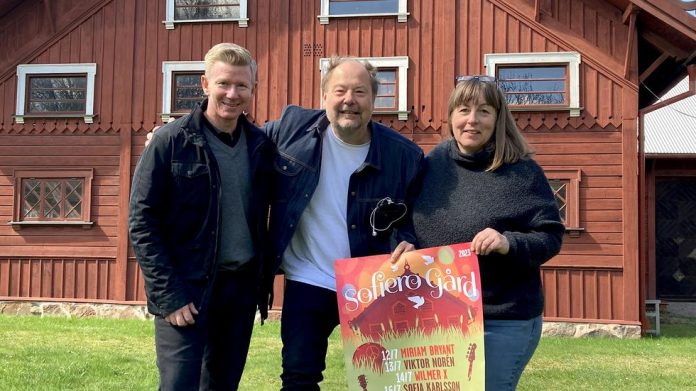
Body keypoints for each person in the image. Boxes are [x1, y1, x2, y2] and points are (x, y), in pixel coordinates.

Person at [260, 56, 425, 390]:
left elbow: (420, 216)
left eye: (360, 92)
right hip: (309, 278)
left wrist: (409, 239)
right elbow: (235, 142)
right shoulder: (292, 129)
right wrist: (172, 137)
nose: (349, 100)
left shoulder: (404, 157)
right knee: (298, 375)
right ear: (323, 97)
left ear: (374, 101)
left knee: (383, 381)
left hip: (374, 283)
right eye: (340, 90)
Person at [128, 43, 274, 390]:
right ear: (205, 84)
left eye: (242, 86)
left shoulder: (260, 147)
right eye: (224, 83)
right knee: (179, 385)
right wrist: (170, 296)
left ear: (253, 89)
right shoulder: (170, 141)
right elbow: (142, 221)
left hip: (239, 291)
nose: (232, 93)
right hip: (186, 288)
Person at [411, 76, 565, 390]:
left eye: (483, 111)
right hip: (438, 317)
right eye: (463, 109)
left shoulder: (522, 172)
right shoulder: (430, 165)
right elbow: (407, 222)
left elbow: (550, 237)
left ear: (498, 119)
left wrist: (508, 242)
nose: (472, 120)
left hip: (500, 320)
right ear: (451, 115)